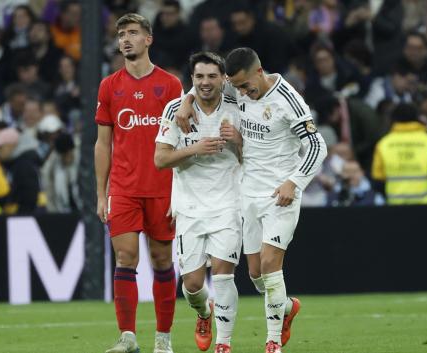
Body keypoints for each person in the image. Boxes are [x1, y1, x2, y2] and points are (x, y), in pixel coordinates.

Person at [175, 47, 328, 353]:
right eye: (238, 87)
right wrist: (186, 101)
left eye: (246, 86)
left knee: (271, 266)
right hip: (248, 193)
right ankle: (285, 307)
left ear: (259, 71)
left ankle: (272, 342)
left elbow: (317, 146)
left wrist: (293, 182)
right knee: (256, 274)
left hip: (280, 195)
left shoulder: (289, 100)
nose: (242, 93)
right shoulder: (237, 87)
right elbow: (208, 85)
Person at [94, 13, 183, 353]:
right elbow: (103, 143)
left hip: (162, 188)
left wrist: (182, 190)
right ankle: (128, 337)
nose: (125, 39)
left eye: (133, 32)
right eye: (121, 34)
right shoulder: (109, 86)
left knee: (162, 260)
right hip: (124, 188)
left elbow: (182, 137)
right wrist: (101, 194)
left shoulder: (171, 85)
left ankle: (163, 339)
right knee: (125, 258)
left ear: (149, 39)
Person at [154, 52, 242, 353]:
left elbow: (254, 158)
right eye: (199, 77)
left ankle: (224, 344)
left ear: (223, 79)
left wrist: (238, 140)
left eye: (212, 76)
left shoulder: (237, 107)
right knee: (192, 285)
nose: (205, 82)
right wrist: (197, 149)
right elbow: (160, 159)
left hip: (229, 203)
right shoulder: (175, 110)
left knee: (223, 274)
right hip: (189, 206)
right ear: (192, 79)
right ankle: (204, 313)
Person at [371, 103, 427, 205]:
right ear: (416, 118)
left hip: (394, 206)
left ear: (394, 119)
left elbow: (378, 180)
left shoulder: (384, 144)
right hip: (425, 206)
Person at [0, 127, 41, 215]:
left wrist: (19, 219)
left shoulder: (23, 165)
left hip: (24, 218)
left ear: (12, 145)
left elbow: (29, 198)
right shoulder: (12, 164)